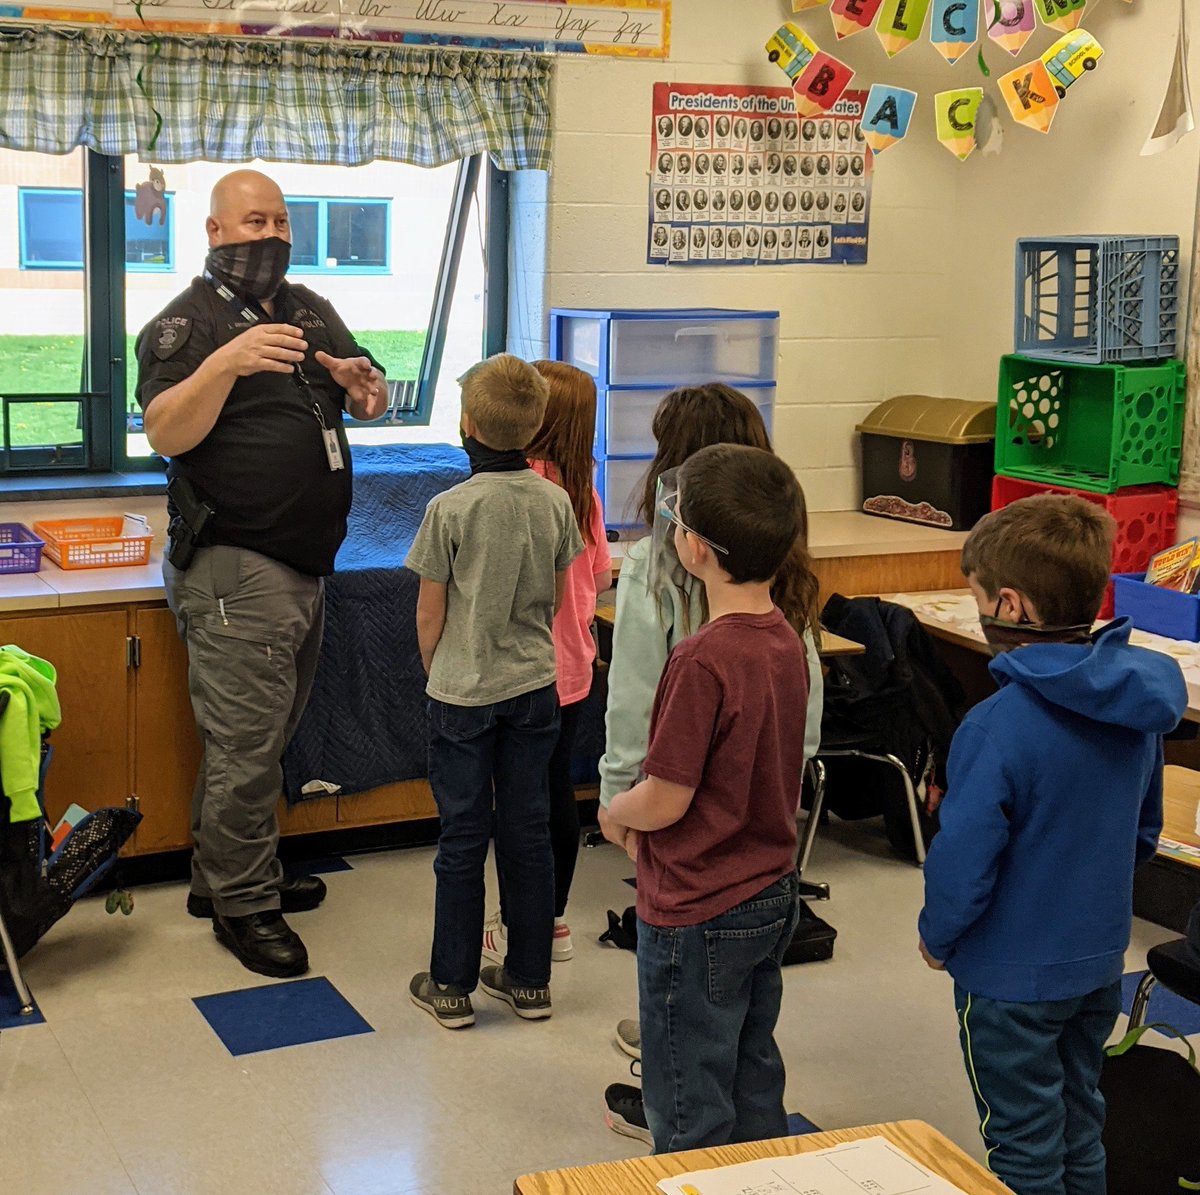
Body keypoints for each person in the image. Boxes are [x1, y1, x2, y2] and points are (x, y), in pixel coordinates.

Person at [136, 169, 386, 978]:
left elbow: (368, 394)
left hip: (306, 560)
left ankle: (222, 877)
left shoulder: (310, 307)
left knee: (259, 738)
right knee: (246, 746)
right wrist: (229, 363)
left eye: (278, 220)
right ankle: (246, 905)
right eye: (251, 221)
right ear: (213, 232)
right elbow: (166, 433)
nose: (269, 234)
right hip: (236, 565)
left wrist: (365, 387)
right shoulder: (186, 325)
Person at [918, 495, 1188, 1195]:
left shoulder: (994, 725)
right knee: (1079, 1119)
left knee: (1023, 1144)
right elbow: (1144, 831)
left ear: (1010, 605)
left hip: (1008, 981)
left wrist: (939, 934)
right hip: (1098, 962)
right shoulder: (1139, 711)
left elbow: (963, 859)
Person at [599, 385, 824, 1141]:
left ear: (692, 546)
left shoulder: (700, 661)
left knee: (687, 1092)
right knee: (753, 1066)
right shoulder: (786, 638)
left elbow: (663, 795)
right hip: (769, 887)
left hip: (697, 904)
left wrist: (612, 810)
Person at [407, 354, 584, 1030]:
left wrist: (437, 671)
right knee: (527, 830)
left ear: (467, 424)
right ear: (535, 426)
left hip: (462, 693)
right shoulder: (557, 500)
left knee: (462, 837)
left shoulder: (449, 507)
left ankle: (450, 985)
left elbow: (430, 613)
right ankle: (529, 981)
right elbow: (559, 592)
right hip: (535, 687)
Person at [481, 363, 612, 968]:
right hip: (574, 668)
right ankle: (554, 919)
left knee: (517, 803)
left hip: (522, 670)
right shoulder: (582, 488)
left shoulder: (516, 486)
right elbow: (601, 575)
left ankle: (517, 923)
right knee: (556, 791)